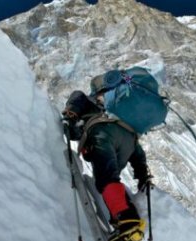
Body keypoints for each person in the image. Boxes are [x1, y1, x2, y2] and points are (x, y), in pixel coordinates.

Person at [62, 73, 152, 241]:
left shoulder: (88, 100)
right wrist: (142, 174)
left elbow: (77, 100)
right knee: (112, 180)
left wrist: (70, 115)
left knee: (106, 179)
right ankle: (127, 225)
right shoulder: (119, 109)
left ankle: (126, 221)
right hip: (129, 142)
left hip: (103, 133)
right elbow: (137, 151)